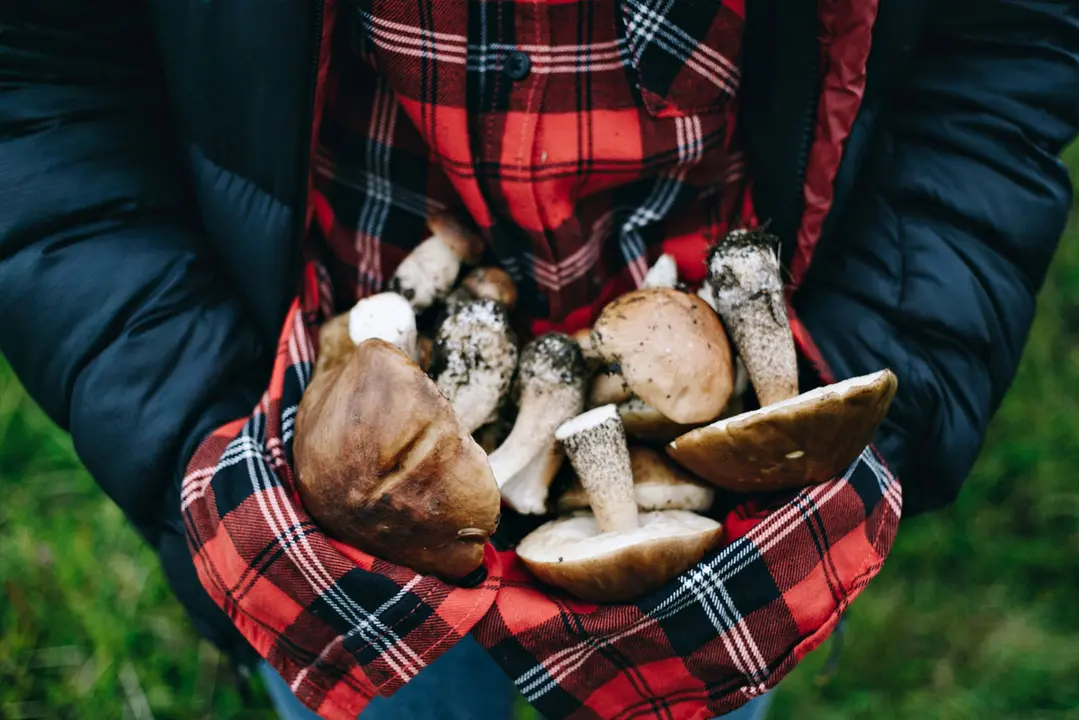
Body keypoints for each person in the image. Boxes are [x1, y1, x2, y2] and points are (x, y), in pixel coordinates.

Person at [1, 1, 1076, 718]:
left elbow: (998, 42)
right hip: (324, 462)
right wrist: (196, 427)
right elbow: (43, 72)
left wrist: (867, 381)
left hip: (711, 469)